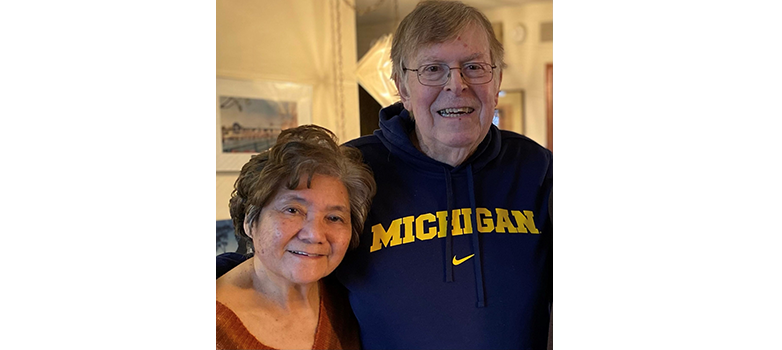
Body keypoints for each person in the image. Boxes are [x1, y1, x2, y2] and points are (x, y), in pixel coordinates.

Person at [333, 1, 553, 349]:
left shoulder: (539, 169)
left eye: (474, 66)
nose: (457, 84)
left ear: (497, 82)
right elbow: (276, 257)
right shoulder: (348, 170)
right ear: (403, 88)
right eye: (433, 69)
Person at [216, 125, 376, 349]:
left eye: (334, 217)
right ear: (250, 220)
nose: (314, 235)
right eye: (292, 210)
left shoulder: (351, 303)